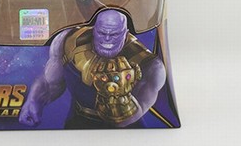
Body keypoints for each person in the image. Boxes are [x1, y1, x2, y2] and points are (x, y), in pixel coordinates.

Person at [19, 9, 166, 128]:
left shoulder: (149, 65)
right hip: (77, 121)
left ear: (126, 33)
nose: (107, 39)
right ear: (94, 29)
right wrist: (34, 100)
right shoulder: (69, 41)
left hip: (127, 135)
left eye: (114, 34)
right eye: (102, 33)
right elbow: (50, 83)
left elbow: (132, 116)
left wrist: (120, 99)